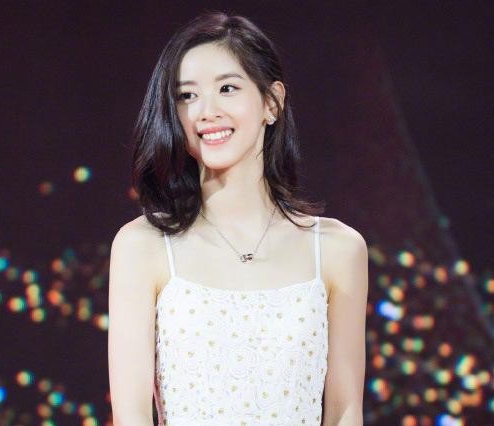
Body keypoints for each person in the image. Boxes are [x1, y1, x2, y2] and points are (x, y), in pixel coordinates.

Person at [108, 10, 368, 426]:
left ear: (272, 102)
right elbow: (132, 415)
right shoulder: (143, 246)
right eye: (187, 96)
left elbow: (345, 410)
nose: (206, 111)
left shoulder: (338, 250)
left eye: (227, 88)